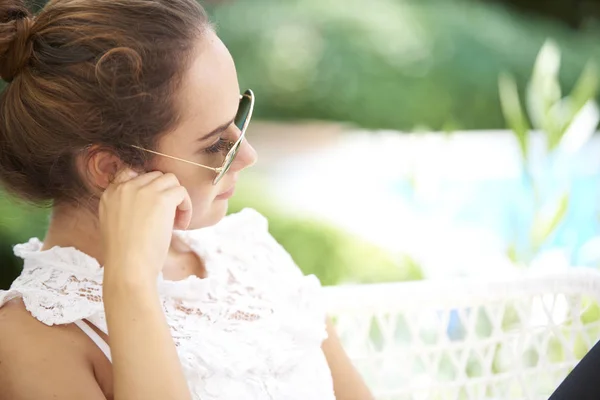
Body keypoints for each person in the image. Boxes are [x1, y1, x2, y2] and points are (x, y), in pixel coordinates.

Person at [0, 0, 374, 399]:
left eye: (239, 115)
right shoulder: (32, 336)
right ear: (110, 169)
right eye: (215, 143)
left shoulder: (247, 252)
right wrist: (131, 287)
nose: (248, 155)